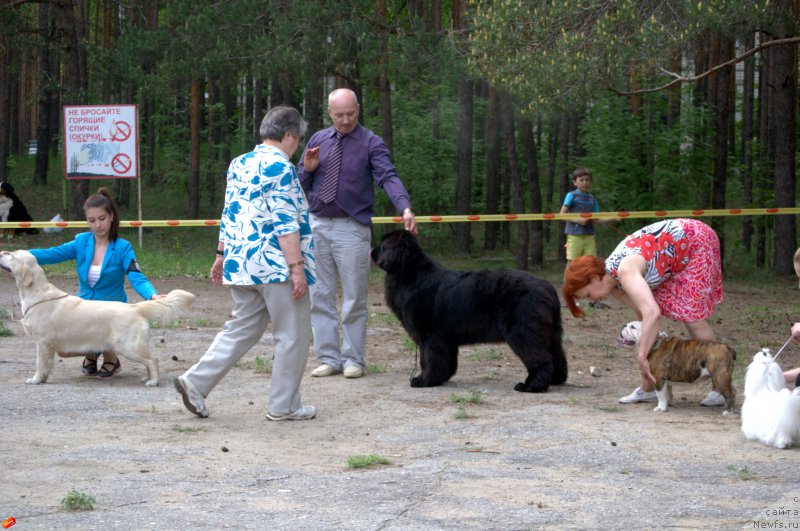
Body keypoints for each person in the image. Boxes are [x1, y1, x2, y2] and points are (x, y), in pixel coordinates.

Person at [173, 105, 317, 421]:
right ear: (290, 135)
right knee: (291, 335)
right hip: (275, 266)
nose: (298, 145)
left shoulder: (239, 163)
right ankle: (284, 406)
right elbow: (285, 222)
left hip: (242, 263)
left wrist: (221, 254)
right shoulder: (281, 168)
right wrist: (297, 268)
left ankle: (195, 382)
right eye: (299, 138)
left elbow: (230, 211)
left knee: (240, 329)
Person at [297, 87, 417, 379]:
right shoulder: (317, 140)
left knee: (354, 298)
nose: (346, 120)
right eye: (339, 115)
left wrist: (405, 208)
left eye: (351, 113)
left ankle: (354, 359)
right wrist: (308, 169)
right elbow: (297, 180)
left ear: (358, 110)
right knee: (319, 296)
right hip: (316, 225)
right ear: (329, 113)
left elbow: (388, 176)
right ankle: (328, 358)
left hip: (352, 228)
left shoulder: (370, 142)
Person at [562, 218, 726, 406]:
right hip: (674, 254)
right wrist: (648, 350)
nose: (591, 300)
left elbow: (652, 314)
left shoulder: (624, 271)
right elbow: (643, 315)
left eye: (588, 294)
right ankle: (650, 388)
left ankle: (721, 385)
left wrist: (642, 356)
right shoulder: (613, 283)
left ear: (593, 277)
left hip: (696, 241)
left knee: (691, 315)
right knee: (659, 322)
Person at [28, 188, 163, 379]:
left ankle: (110, 359)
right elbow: (51, 254)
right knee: (63, 350)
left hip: (111, 311)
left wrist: (152, 295)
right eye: (92, 221)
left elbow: (136, 276)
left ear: (111, 217)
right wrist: (20, 255)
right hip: (83, 309)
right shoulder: (81, 241)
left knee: (109, 332)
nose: (97, 225)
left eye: (102, 218)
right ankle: (92, 353)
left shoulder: (123, 247)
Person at [559, 167, 602, 262]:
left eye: (587, 180)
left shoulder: (592, 199)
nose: (585, 183)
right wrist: (577, 220)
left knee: (590, 262)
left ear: (590, 182)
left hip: (589, 235)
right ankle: (568, 278)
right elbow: (561, 215)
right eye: (581, 180)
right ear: (575, 182)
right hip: (574, 235)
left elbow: (596, 219)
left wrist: (614, 218)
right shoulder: (571, 195)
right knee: (573, 263)